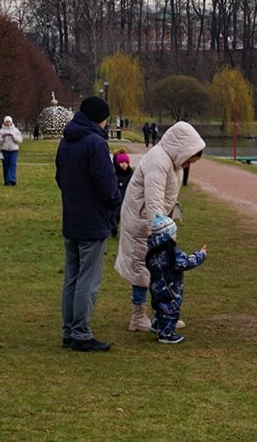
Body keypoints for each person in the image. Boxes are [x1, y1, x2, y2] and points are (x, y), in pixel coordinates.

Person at [114, 121, 205, 334]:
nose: (190, 163)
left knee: (159, 271)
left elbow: (167, 198)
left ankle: (160, 314)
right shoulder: (158, 160)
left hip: (156, 223)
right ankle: (138, 316)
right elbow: (153, 200)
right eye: (190, 158)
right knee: (141, 270)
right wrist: (161, 231)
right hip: (142, 223)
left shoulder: (173, 163)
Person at [56, 96, 121, 352]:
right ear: (100, 119)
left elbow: (60, 177)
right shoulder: (96, 143)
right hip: (93, 220)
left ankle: (69, 330)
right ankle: (81, 333)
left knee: (72, 276)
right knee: (88, 279)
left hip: (72, 217)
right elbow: (107, 184)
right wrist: (114, 202)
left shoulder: (66, 141)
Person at [145, 213, 207, 344]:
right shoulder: (170, 252)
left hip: (156, 286)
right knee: (170, 309)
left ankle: (157, 325)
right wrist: (200, 255)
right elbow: (185, 263)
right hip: (170, 288)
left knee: (159, 306)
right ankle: (166, 334)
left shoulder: (152, 250)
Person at [0, 115, 24, 186]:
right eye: (7, 122)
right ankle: (6, 181)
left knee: (12, 164)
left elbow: (20, 140)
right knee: (5, 165)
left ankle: (12, 180)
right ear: (4, 123)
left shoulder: (15, 130)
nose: (8, 123)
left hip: (14, 150)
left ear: (11, 122)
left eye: (9, 122)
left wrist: (13, 137)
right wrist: (2, 137)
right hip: (4, 150)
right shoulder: (1, 131)